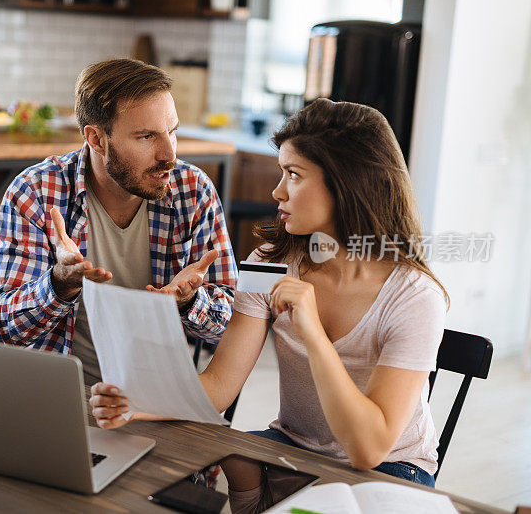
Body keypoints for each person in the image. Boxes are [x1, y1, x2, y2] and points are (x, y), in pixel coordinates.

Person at [89, 98, 449, 487]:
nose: (277, 191)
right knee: (183, 480)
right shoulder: (270, 263)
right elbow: (220, 387)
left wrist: (312, 333)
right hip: (290, 448)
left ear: (347, 183)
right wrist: (134, 403)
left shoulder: (414, 297)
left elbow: (368, 450)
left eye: (293, 174)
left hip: (392, 468)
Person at [0, 58, 237, 384]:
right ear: (96, 139)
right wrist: (58, 284)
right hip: (63, 399)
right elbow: (5, 332)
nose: (169, 154)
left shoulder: (193, 192)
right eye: (146, 136)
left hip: (160, 401)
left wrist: (191, 301)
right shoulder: (35, 193)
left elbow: (230, 327)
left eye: (172, 132)